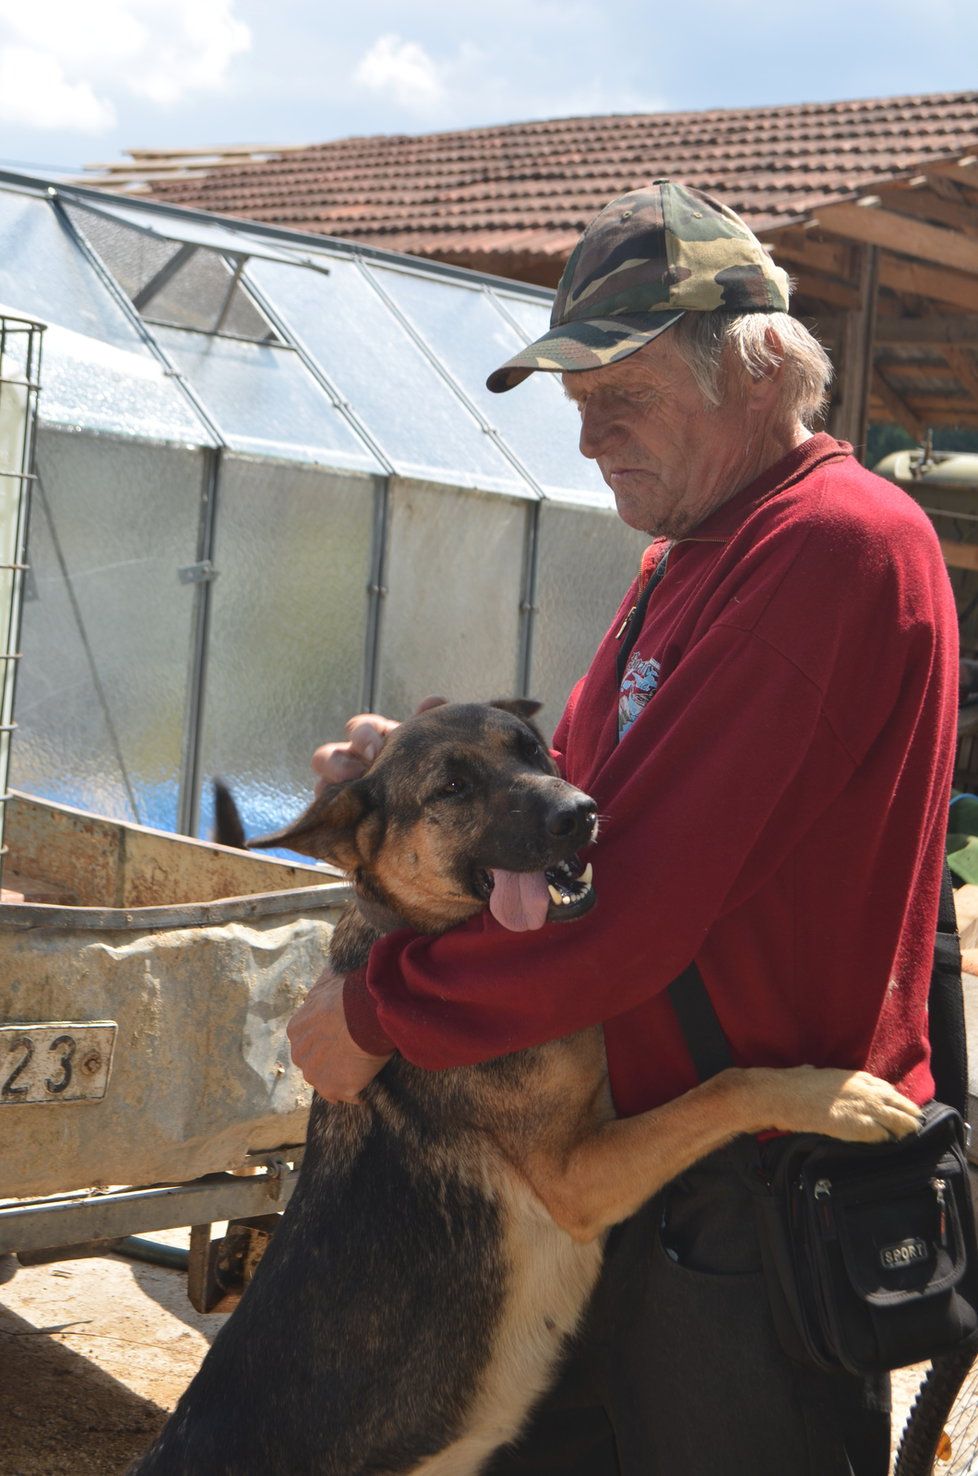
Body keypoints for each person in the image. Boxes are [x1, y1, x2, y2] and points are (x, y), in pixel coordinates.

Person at [286, 181, 959, 1475]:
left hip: (743, 1207)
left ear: (754, 367)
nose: (587, 442)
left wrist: (377, 1010)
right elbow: (581, 823)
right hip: (629, 1181)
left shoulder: (832, 545)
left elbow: (630, 916)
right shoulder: (694, 554)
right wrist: (415, 770)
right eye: (576, 408)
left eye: (620, 399)